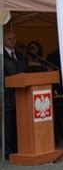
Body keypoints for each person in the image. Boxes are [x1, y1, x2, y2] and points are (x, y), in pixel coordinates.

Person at [3, 31, 27, 159]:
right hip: (8, 97)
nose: (12, 41)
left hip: (22, 96)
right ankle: (8, 151)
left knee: (20, 123)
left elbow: (26, 72)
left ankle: (20, 148)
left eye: (14, 38)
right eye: (9, 39)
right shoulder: (1, 56)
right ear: (3, 41)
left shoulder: (20, 55)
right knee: (9, 125)